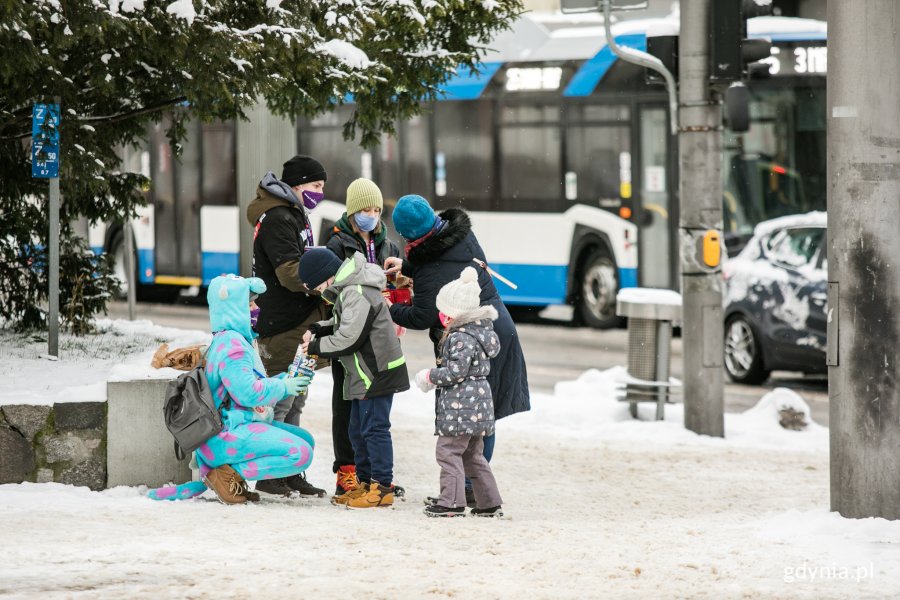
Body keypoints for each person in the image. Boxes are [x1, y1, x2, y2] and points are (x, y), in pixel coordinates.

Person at [385, 194, 530, 506]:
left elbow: (422, 315)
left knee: (472, 416)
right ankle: (475, 491)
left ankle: (466, 491)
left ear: (408, 236)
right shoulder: (461, 233)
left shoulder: (431, 270)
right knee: (480, 414)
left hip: (472, 336)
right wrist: (408, 267)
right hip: (495, 324)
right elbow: (444, 261)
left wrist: (387, 308)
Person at [147, 275, 314, 504]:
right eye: (249, 304)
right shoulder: (233, 347)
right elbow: (247, 393)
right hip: (224, 434)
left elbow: (251, 389)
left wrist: (288, 380)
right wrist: (283, 386)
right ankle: (222, 475)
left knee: (305, 440)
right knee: (300, 453)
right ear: (234, 308)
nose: (256, 309)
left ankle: (224, 474)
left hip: (238, 426)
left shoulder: (233, 340)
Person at [299, 249, 410, 509]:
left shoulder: (356, 291)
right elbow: (343, 322)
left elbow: (350, 337)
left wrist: (316, 346)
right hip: (363, 372)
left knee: (374, 429)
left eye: (315, 286)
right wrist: (318, 328)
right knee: (357, 430)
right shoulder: (348, 290)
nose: (317, 291)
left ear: (324, 277)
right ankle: (364, 483)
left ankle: (382, 487)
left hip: (377, 370)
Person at [245, 154, 328, 497]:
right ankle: (270, 474)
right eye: (316, 186)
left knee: (295, 400)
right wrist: (325, 279)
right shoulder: (280, 217)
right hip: (283, 322)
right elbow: (289, 272)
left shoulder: (294, 213)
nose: (320, 193)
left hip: (298, 319)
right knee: (279, 402)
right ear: (296, 185)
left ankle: (292, 469)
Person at [322, 177, 403, 499]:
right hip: (350, 333)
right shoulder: (337, 244)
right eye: (365, 209)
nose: (371, 215)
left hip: (379, 337)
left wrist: (395, 304)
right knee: (347, 406)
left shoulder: (387, 244)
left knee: (373, 411)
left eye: (376, 209)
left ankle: (374, 476)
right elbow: (328, 290)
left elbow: (396, 287)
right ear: (353, 211)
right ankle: (347, 471)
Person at [415, 267, 504, 518]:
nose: (440, 316)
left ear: (452, 314)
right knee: (473, 455)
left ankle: (451, 502)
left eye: (442, 311)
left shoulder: (460, 337)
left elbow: (456, 372)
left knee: (448, 451)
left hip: (461, 407)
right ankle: (489, 502)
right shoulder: (480, 333)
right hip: (479, 404)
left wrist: (430, 376)